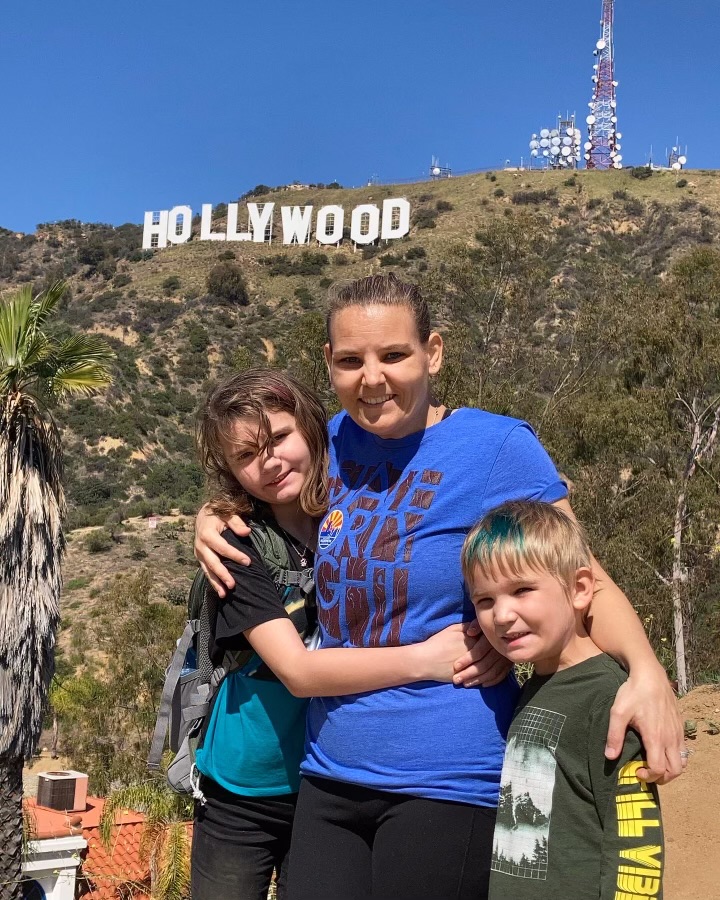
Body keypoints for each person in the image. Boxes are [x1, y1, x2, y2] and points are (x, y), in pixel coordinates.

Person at [194, 274, 682, 900]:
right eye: (351, 361)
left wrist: (646, 670)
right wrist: (207, 517)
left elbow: (583, 577)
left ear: (434, 352)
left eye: (394, 354)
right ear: (330, 365)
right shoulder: (327, 445)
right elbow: (259, 487)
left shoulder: (497, 447)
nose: (373, 378)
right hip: (327, 771)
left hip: (447, 777)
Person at [190, 368, 489, 900]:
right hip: (244, 791)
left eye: (280, 438)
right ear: (230, 471)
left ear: (312, 427)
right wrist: (426, 659)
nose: (270, 461)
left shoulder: (354, 509)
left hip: (333, 783)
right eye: (245, 455)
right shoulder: (240, 548)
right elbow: (299, 673)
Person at [461, 501, 665, 900]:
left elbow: (636, 845)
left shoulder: (609, 698)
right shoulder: (536, 687)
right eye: (484, 600)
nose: (501, 615)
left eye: (522, 590)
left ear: (580, 589)